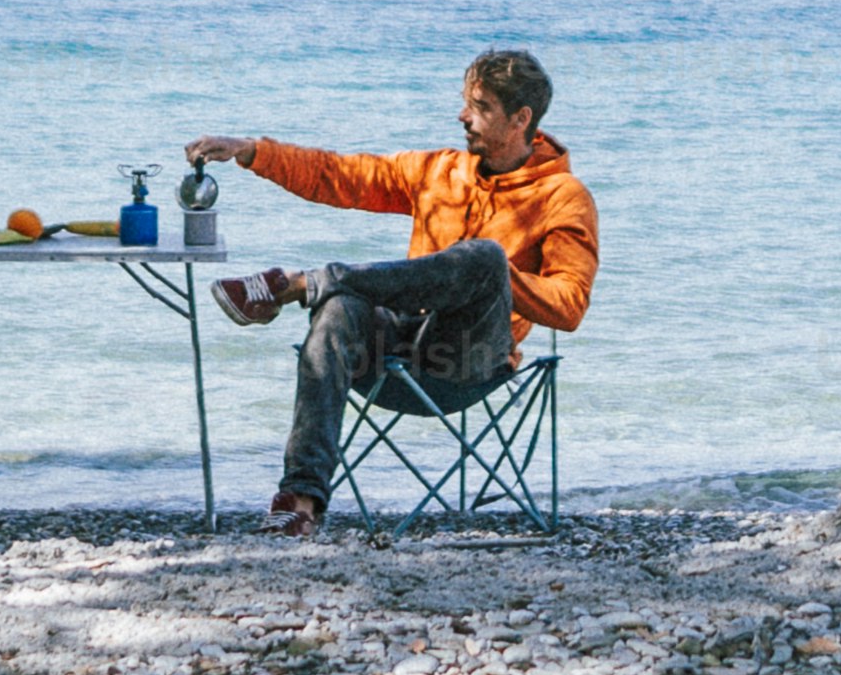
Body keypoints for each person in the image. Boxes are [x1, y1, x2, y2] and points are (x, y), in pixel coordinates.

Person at [185, 50, 598, 532]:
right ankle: (300, 500)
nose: (463, 116)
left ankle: (300, 284)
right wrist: (250, 151)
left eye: (480, 107)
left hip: (467, 361)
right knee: (339, 307)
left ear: (520, 119)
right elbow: (340, 176)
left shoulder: (563, 197)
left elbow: (568, 308)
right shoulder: (439, 172)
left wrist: (496, 275)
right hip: (398, 351)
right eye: (467, 103)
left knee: (485, 257)